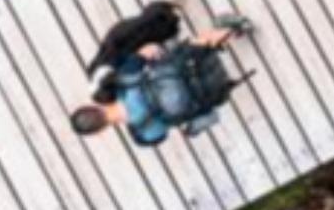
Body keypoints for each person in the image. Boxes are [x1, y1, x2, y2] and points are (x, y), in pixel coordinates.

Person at [70, 12, 251, 148]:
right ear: (95, 106)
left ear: (101, 131)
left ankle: (227, 39)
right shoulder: (122, 82)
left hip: (213, 91)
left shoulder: (142, 136)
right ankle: (232, 29)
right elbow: (147, 51)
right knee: (192, 46)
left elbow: (165, 132)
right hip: (189, 64)